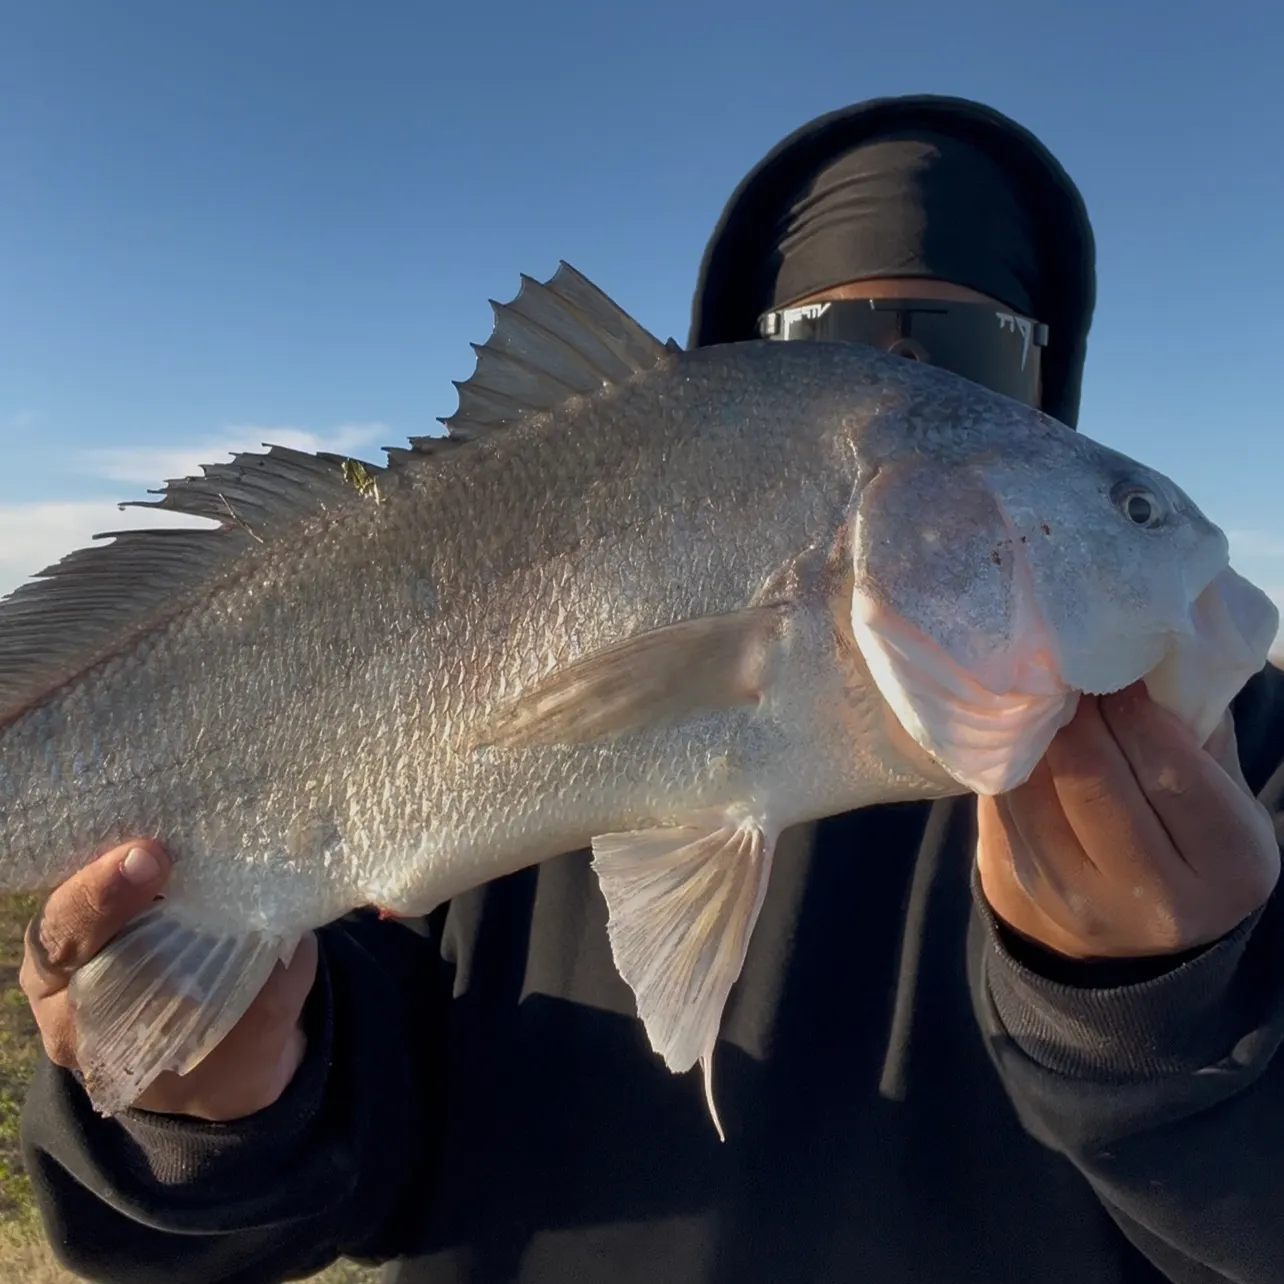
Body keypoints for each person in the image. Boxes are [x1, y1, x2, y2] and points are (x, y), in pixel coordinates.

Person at [19, 95, 1284, 1284]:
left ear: (1035, 398)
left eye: (968, 351)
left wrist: (1172, 1024)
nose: (897, 369)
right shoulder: (523, 718)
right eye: (827, 347)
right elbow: (292, 1188)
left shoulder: (1245, 770)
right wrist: (215, 1117)